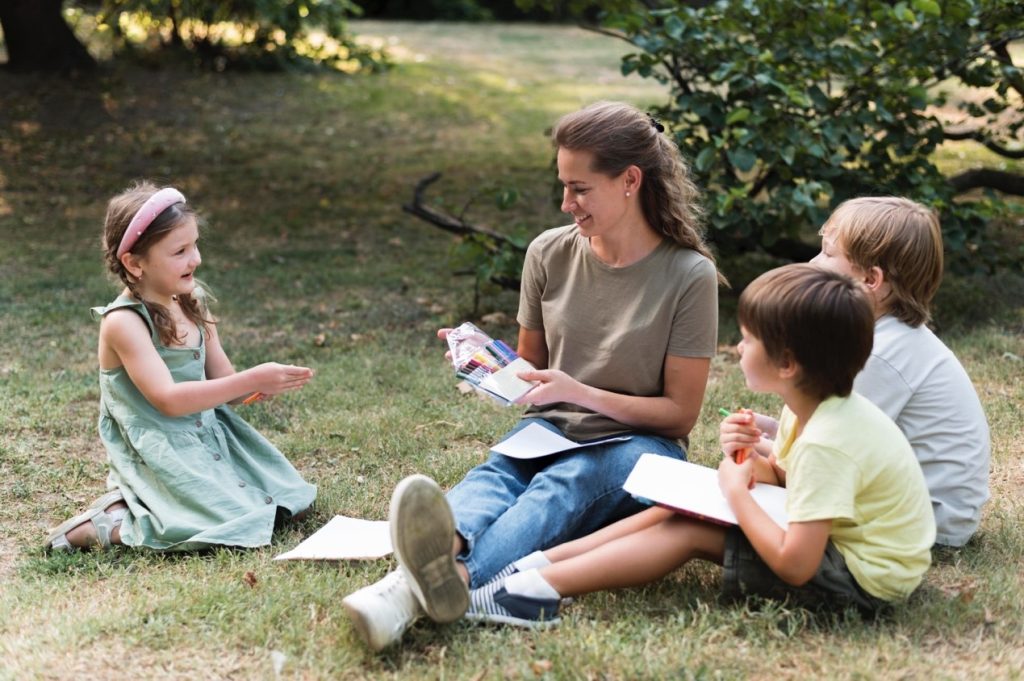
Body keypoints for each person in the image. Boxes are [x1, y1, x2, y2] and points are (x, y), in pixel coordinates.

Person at [343, 101, 723, 650]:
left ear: (630, 182)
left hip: (639, 450)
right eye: (562, 186)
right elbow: (531, 375)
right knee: (492, 479)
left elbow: (679, 415)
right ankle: (416, 576)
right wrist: (485, 364)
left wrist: (580, 392)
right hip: (547, 433)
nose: (566, 203)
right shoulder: (548, 252)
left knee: (561, 485)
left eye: (580, 188)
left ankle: (430, 590)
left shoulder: (689, 275)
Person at [432, 264, 936, 627]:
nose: (738, 347)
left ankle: (528, 594)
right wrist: (759, 461)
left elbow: (796, 564)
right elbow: (790, 478)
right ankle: (529, 569)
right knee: (674, 507)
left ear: (787, 364)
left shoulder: (831, 439)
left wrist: (737, 491)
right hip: (840, 543)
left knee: (688, 531)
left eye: (748, 339)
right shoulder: (813, 407)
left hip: (863, 581)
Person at [45, 181, 317, 552]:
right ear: (134, 263)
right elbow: (169, 401)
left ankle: (149, 504)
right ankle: (108, 523)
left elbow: (225, 383)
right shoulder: (124, 322)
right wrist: (252, 377)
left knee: (289, 504)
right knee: (237, 525)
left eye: (195, 245)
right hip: (162, 444)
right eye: (180, 251)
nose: (196, 259)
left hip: (208, 432)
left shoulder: (192, 300)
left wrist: (256, 388)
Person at [726, 197, 990, 548]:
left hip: (927, 521)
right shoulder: (881, 338)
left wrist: (759, 448)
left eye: (827, 254)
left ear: (870, 279)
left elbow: (828, 453)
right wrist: (773, 433)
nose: (812, 262)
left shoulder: (880, 357)